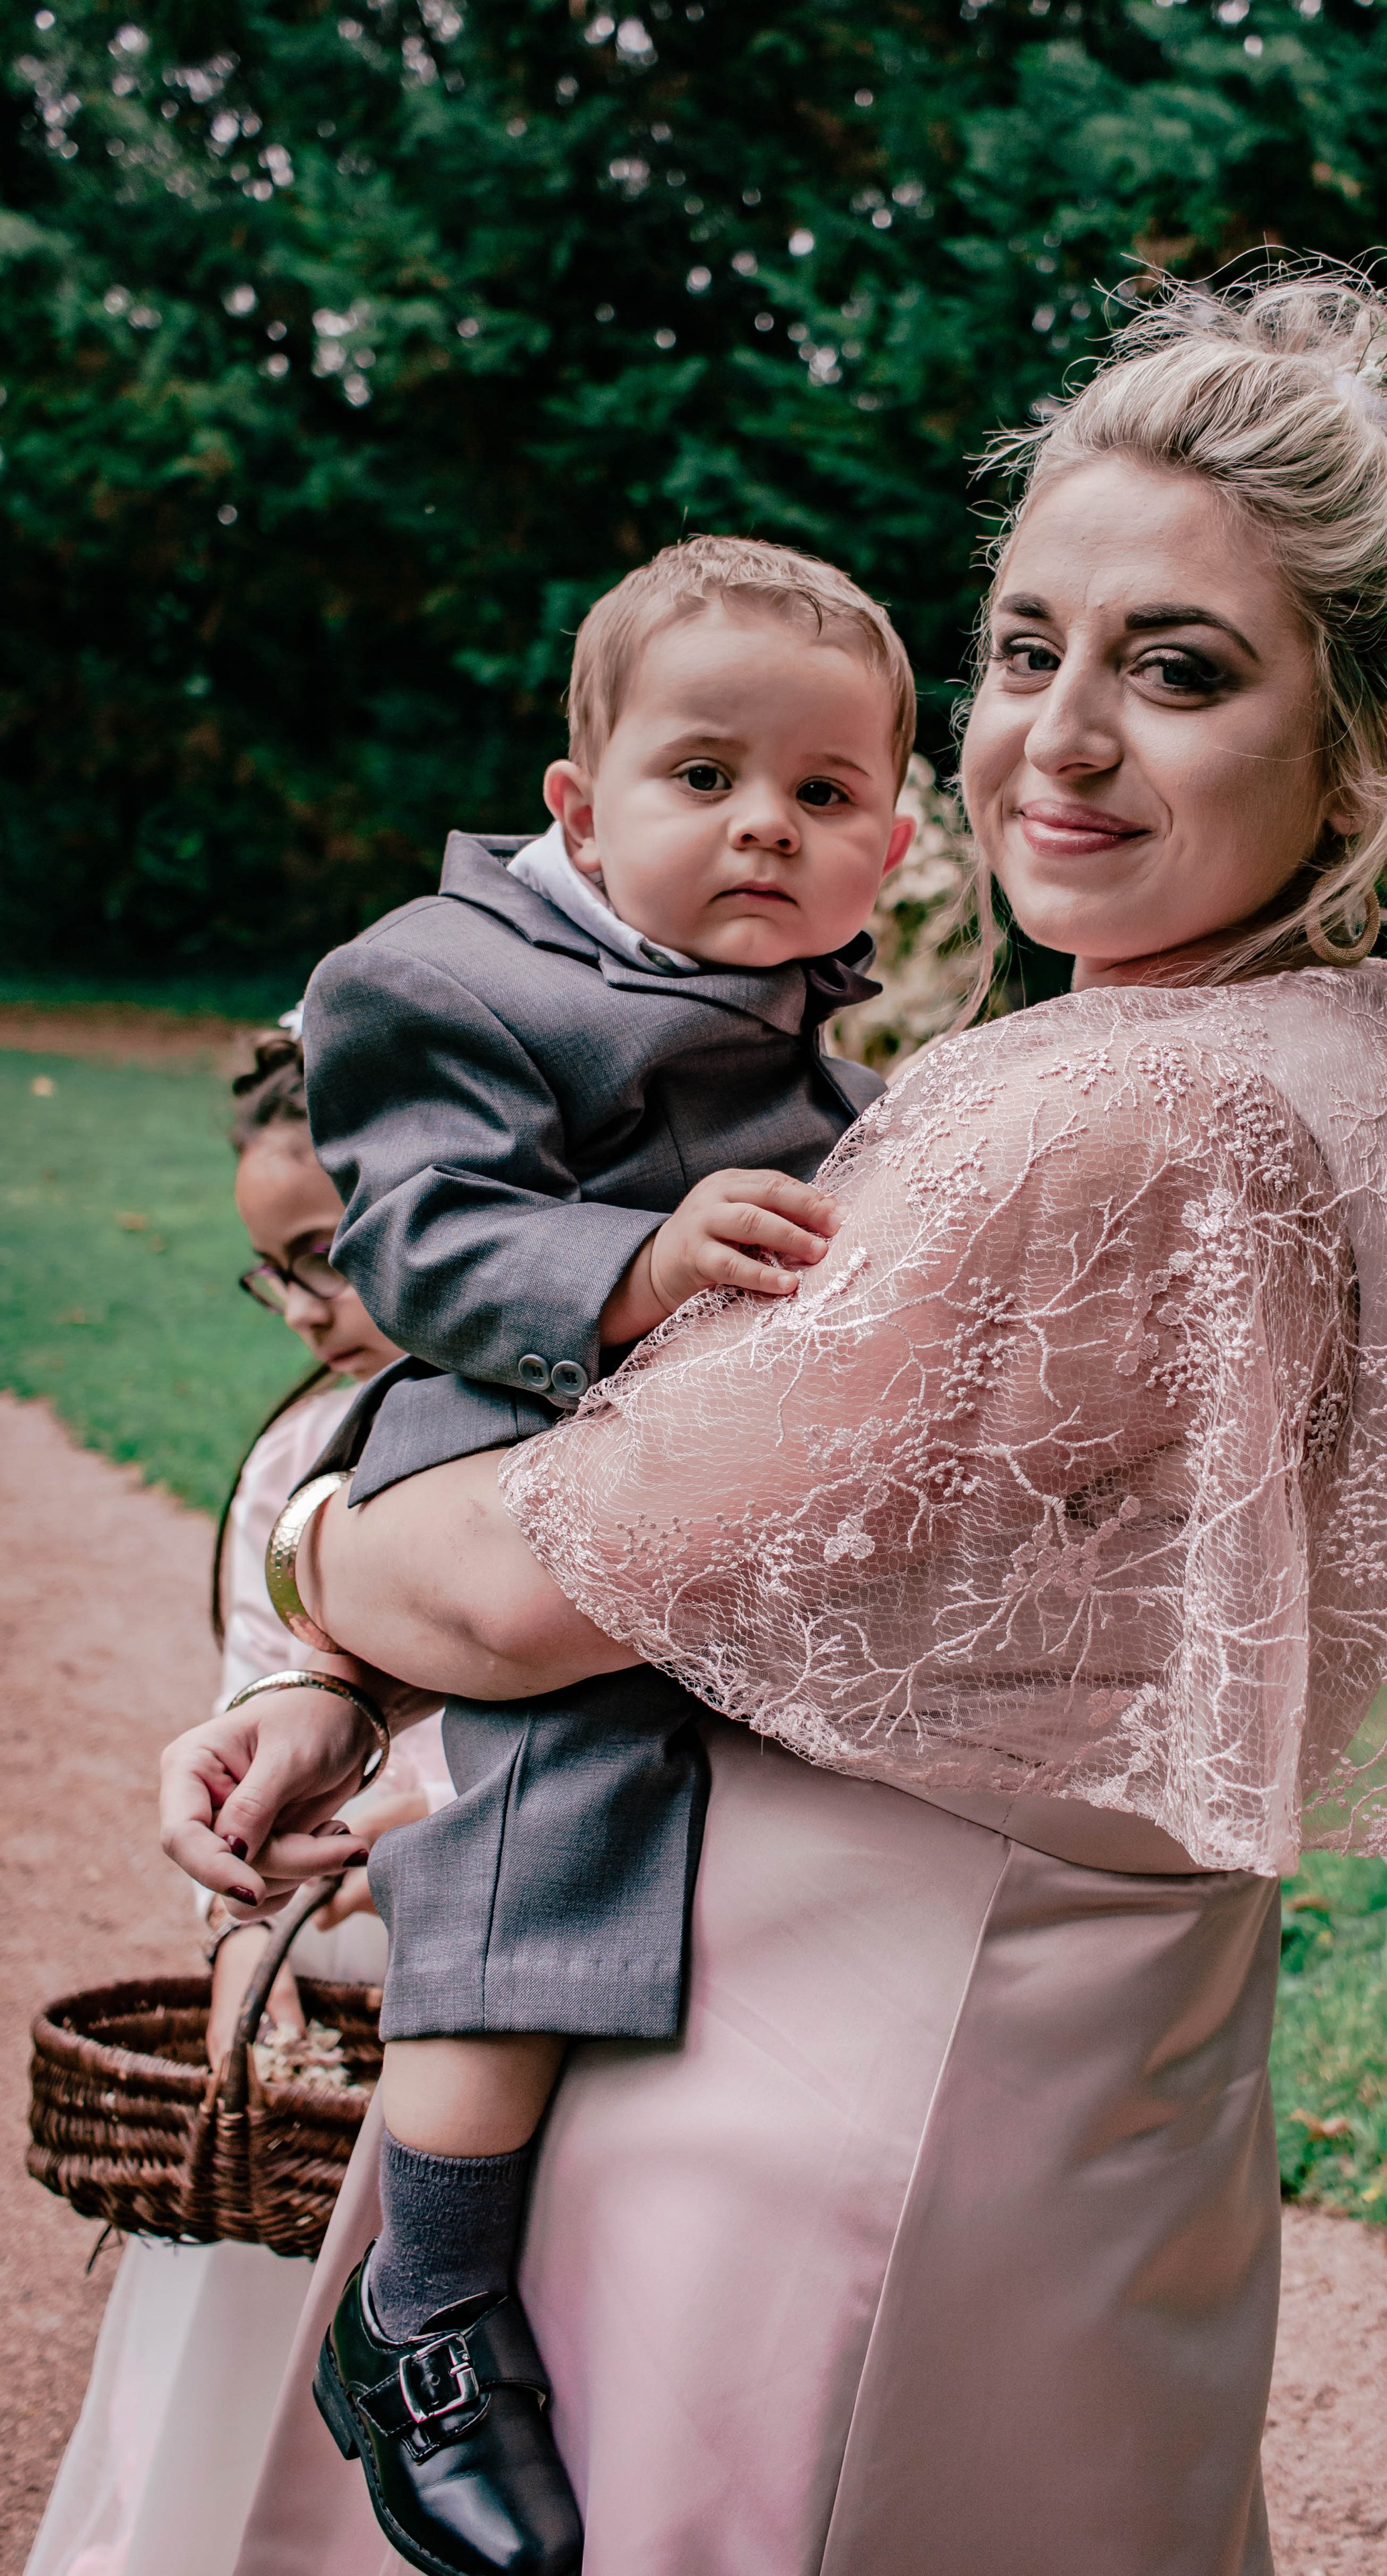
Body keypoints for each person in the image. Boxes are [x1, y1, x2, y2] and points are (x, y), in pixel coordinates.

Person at [166, 260, 1387, 2576]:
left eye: (1180, 670)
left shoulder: (1123, 1133)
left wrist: (312, 1562)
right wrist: (343, 1676)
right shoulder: (1329, 1079)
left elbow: (530, 1588)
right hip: (1081, 2130)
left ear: (1363, 747)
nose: (1060, 740)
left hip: (843, 2116)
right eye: (1026, 654)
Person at [240, 538, 917, 2576]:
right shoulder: (439, 976)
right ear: (578, 802)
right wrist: (628, 1264)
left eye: (819, 798)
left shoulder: (827, 1041)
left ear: (893, 834)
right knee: (555, 1792)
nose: (762, 830)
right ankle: (426, 2310)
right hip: (514, 1442)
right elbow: (414, 1236)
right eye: (703, 777)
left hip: (707, 1489)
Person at [25, 1034, 450, 2576]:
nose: (303, 1309)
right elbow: (247, 1707)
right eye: (270, 1273)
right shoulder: (301, 1458)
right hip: (323, 1995)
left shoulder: (564, 1428)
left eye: (329, 1257)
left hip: (488, 1976)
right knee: (255, 2381)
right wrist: (236, 1935)